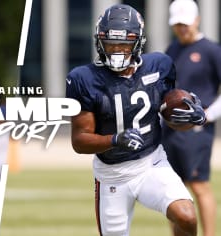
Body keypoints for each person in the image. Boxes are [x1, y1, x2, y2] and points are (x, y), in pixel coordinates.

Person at [65, 4, 206, 236]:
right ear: (100, 43)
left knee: (187, 216)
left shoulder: (159, 66)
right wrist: (115, 140)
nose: (117, 50)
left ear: (138, 43)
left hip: (152, 163)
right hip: (113, 175)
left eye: (124, 44)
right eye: (111, 44)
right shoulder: (84, 79)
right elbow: (79, 140)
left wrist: (192, 118)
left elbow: (170, 118)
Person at [162, 1, 221, 236]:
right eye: (177, 24)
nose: (182, 28)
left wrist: (206, 115)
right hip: (170, 131)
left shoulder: (211, 50)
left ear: (196, 20)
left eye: (185, 23)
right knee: (174, 191)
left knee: (198, 185)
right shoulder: (172, 50)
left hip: (197, 132)